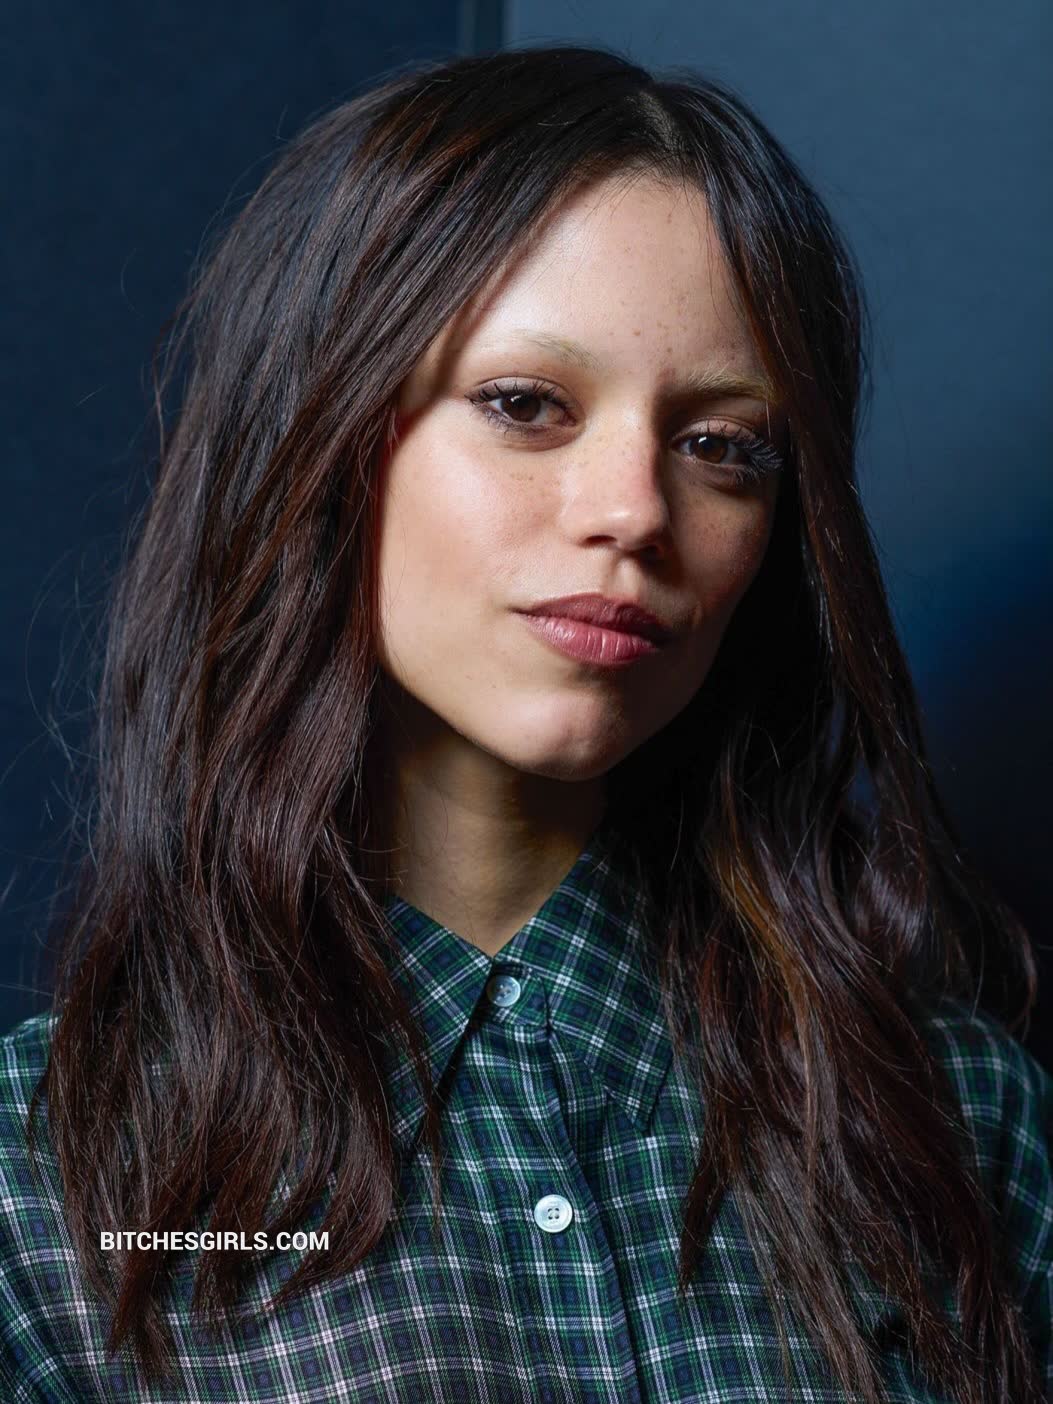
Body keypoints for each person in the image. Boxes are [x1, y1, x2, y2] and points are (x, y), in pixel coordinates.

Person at [0, 42, 1049, 1404]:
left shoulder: (959, 1120)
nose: (633, 510)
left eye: (722, 445)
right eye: (525, 406)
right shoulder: (42, 1189)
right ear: (317, 433)